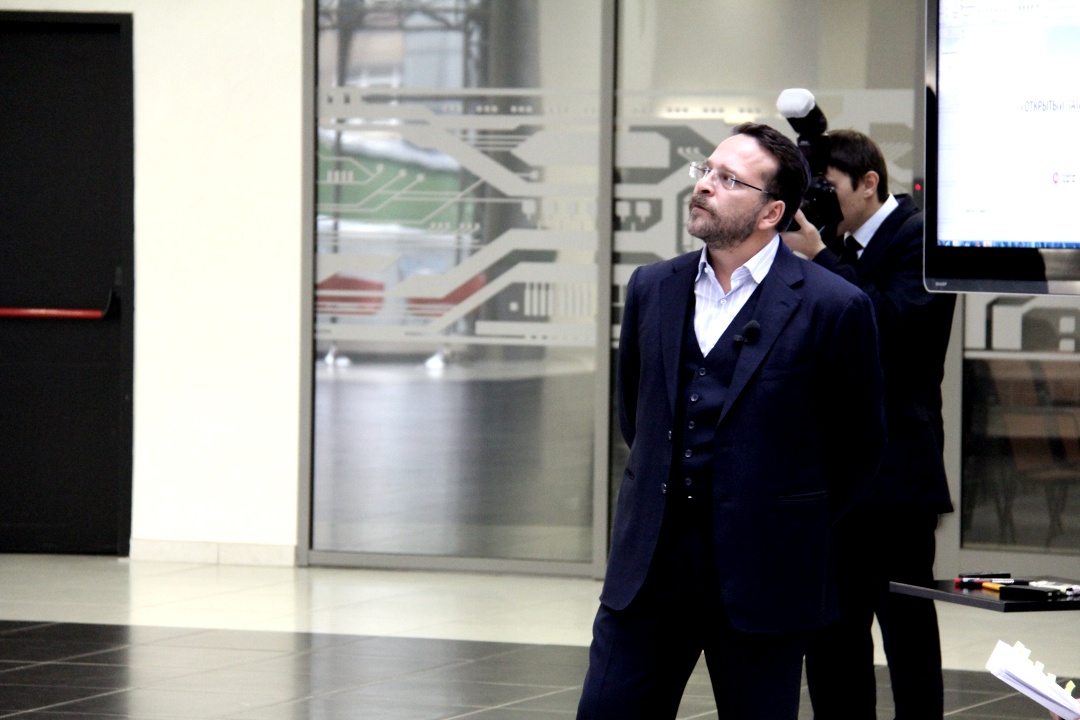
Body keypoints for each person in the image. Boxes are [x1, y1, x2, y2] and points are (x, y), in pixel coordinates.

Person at [575, 122, 887, 720]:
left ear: (772, 212)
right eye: (706, 171)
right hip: (650, 566)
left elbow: (859, 447)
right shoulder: (652, 287)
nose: (704, 186)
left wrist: (784, 512)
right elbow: (636, 415)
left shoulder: (834, 306)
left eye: (729, 179)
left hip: (765, 571)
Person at [782, 128, 957, 720]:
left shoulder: (918, 237)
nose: (820, 202)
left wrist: (820, 258)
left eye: (828, 187)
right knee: (831, 629)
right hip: (832, 475)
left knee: (906, 627)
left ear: (868, 183)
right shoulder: (830, 242)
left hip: (897, 474)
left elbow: (890, 328)